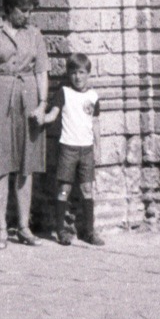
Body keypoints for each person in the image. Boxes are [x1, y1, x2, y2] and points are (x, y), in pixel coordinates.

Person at [0, 0, 51, 249]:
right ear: (9, 8)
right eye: (23, 10)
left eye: (30, 11)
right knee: (1, 165)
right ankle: (2, 228)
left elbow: (41, 72)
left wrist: (42, 104)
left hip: (27, 99)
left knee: (26, 165)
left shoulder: (35, 34)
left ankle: (24, 227)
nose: (28, 16)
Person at [52, 52, 104, 246]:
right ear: (69, 74)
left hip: (87, 149)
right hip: (68, 147)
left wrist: (98, 149)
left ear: (88, 73)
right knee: (64, 188)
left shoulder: (93, 96)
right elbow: (53, 114)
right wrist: (41, 117)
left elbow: (96, 124)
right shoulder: (63, 93)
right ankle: (60, 230)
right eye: (73, 73)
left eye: (81, 72)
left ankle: (89, 231)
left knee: (87, 189)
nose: (78, 77)